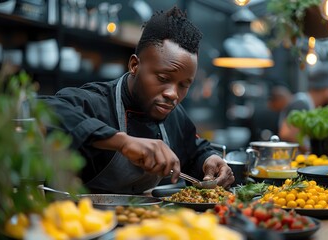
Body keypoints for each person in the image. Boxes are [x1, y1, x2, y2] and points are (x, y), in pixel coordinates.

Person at [40, 6, 234, 194]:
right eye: (163, 79)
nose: (173, 94)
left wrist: (210, 160)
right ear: (134, 65)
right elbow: (41, 108)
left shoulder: (173, 116)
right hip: (82, 222)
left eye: (184, 85)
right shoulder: (95, 102)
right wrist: (123, 142)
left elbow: (194, 150)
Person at [279, 60, 328, 152]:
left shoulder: (308, 104)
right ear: (327, 91)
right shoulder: (301, 103)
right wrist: (310, 151)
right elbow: (287, 134)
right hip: (289, 161)